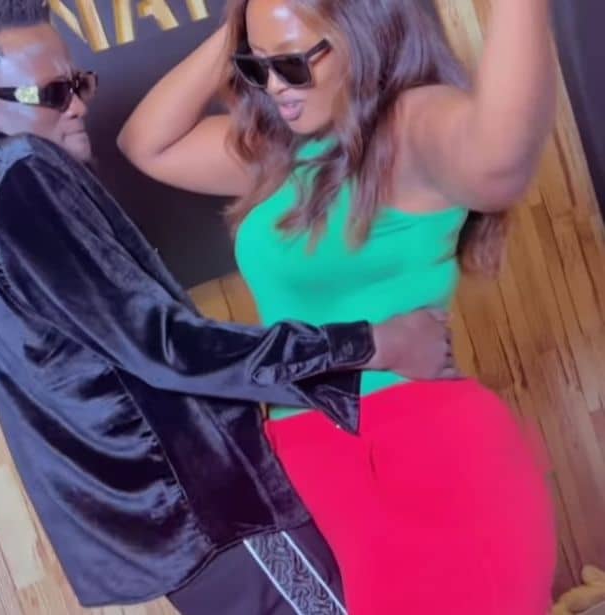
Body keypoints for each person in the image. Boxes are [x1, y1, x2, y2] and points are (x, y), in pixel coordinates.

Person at [0, 1, 456, 613]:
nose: (78, 104)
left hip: (180, 521)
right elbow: (167, 346)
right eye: (52, 92)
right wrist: (372, 344)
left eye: (79, 83)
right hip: (210, 509)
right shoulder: (19, 174)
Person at [118, 0, 558, 612]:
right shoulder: (275, 152)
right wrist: (244, 25)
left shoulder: (409, 126)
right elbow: (148, 143)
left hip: (427, 455)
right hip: (311, 467)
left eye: (294, 64)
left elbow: (500, 164)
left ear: (363, 36)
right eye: (257, 68)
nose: (275, 87)